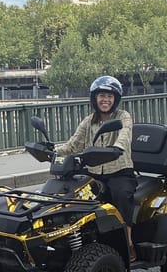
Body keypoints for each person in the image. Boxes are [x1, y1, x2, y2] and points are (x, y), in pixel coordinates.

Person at [53, 75, 136, 261]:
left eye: (109, 96)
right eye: (101, 95)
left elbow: (125, 134)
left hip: (119, 172)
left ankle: (128, 242)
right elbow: (73, 145)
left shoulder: (123, 116)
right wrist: (53, 151)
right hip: (93, 173)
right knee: (71, 195)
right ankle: (74, 240)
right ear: (94, 98)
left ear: (115, 99)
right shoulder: (88, 121)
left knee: (122, 195)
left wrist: (118, 148)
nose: (105, 100)